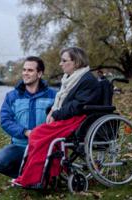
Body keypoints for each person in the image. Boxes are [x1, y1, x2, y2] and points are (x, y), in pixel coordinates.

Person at [13, 47, 100, 188]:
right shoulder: (70, 79)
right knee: (38, 135)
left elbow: (77, 105)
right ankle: (41, 177)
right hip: (70, 117)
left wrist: (56, 114)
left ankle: (35, 178)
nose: (60, 64)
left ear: (76, 62)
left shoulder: (87, 80)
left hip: (78, 120)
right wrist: (51, 111)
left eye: (64, 61)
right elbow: (65, 103)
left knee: (37, 135)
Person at [0, 56, 57, 178]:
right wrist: (25, 132)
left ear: (39, 73)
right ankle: (23, 175)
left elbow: (61, 120)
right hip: (19, 146)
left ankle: (39, 174)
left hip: (44, 147)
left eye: (30, 70)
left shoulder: (53, 95)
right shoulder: (12, 96)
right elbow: (5, 121)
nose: (25, 73)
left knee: (47, 177)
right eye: (24, 70)